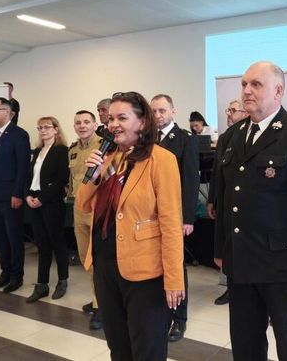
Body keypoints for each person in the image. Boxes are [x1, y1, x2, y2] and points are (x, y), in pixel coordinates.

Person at [214, 61, 287, 360]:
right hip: (241, 261)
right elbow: (226, 200)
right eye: (244, 84)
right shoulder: (232, 137)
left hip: (284, 267)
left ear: (278, 91)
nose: (246, 91)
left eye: (256, 84)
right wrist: (221, 249)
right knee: (245, 346)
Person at [76, 91, 184, 361]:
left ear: (142, 122)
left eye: (122, 118)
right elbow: (83, 204)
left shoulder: (161, 160)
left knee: (147, 350)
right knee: (119, 348)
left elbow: (171, 224)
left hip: (144, 272)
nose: (113, 124)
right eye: (111, 118)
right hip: (105, 265)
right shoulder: (107, 156)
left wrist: (174, 279)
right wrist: (94, 176)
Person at [150, 94, 200, 342]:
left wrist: (187, 218)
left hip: (175, 213)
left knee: (175, 265)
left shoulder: (185, 140)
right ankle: (160, 311)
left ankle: (179, 319)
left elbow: (190, 181)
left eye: (162, 110)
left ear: (173, 111)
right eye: (154, 111)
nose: (158, 115)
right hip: (151, 214)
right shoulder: (147, 139)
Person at [0, 97, 31, 293]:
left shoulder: (19, 135)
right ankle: (5, 273)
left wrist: (18, 193)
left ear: (9, 113)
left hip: (11, 196)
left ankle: (17, 276)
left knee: (13, 237)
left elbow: (22, 168)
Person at [207, 99, 249, 306]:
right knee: (228, 247)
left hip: (245, 205)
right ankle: (231, 288)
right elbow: (217, 171)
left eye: (233, 110)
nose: (229, 114)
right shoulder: (225, 137)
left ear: (245, 112)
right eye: (228, 110)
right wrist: (212, 199)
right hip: (225, 201)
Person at [25, 117, 70, 303]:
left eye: (47, 127)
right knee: (42, 245)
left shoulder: (61, 150)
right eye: (40, 127)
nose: (43, 130)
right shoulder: (37, 151)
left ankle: (62, 281)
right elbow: (29, 177)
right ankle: (42, 284)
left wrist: (42, 199)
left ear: (56, 129)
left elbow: (61, 180)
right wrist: (27, 195)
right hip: (34, 200)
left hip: (51, 202)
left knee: (57, 243)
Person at [67, 110, 103, 329]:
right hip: (78, 209)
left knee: (97, 258)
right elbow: (72, 181)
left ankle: (101, 306)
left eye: (86, 122)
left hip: (98, 209)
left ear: (95, 124)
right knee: (84, 258)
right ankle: (98, 297)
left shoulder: (105, 146)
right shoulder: (72, 150)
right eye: (78, 123)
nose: (82, 126)